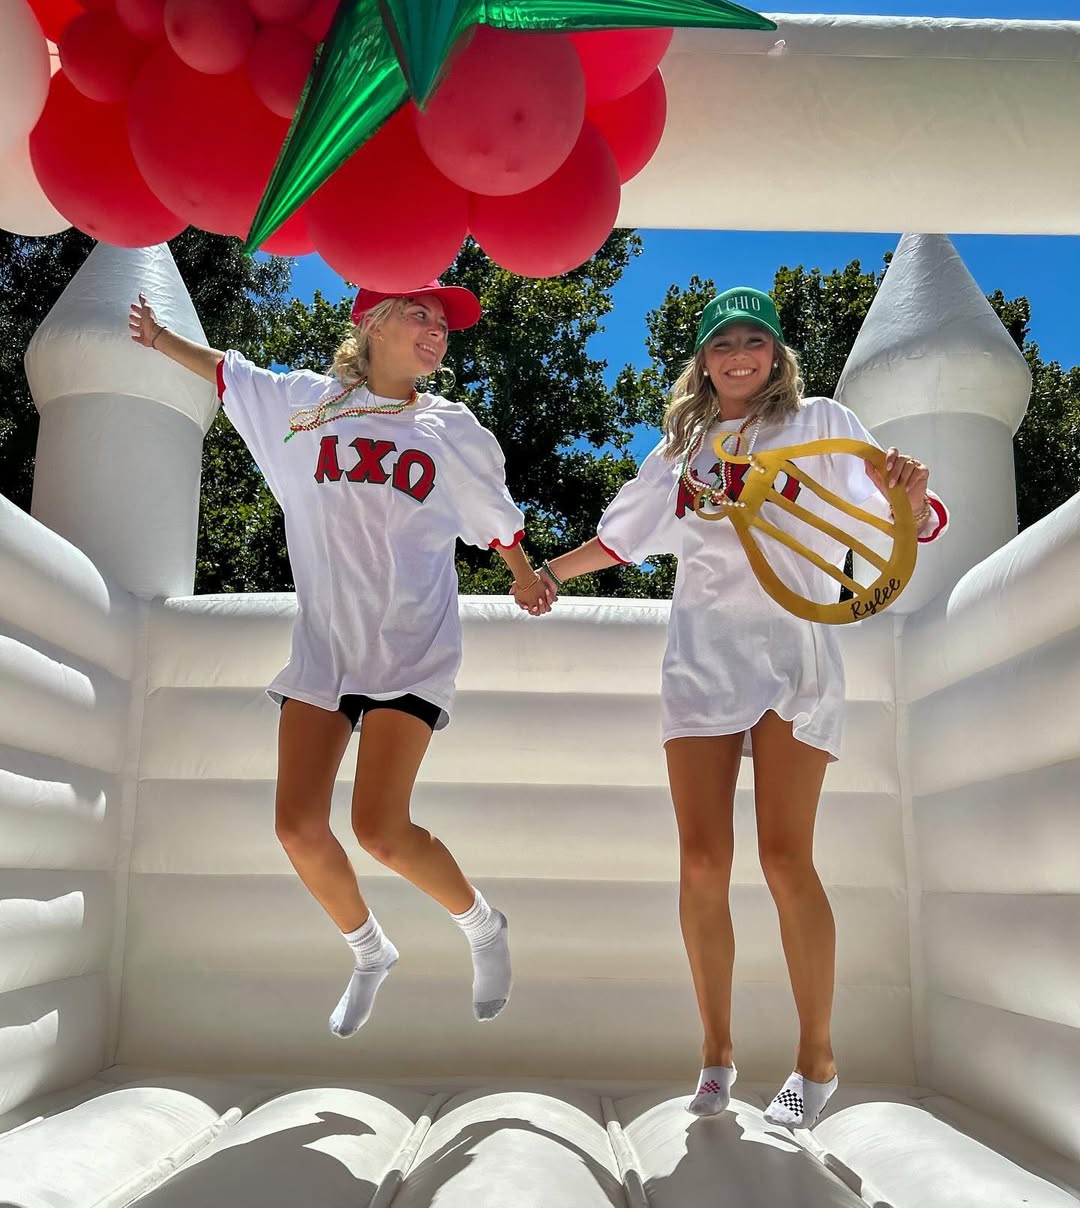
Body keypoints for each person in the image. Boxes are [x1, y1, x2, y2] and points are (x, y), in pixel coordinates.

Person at [535, 287, 948, 1129]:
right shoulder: (681, 450)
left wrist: (909, 495)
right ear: (703, 358)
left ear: (776, 354)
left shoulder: (821, 422)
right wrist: (546, 573)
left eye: (754, 340)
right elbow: (620, 539)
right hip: (701, 666)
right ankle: (717, 1054)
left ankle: (817, 1059)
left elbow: (908, 524)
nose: (738, 356)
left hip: (795, 659)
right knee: (700, 865)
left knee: (786, 860)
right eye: (722, 343)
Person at [129, 281, 553, 1036]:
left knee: (380, 829)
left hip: (410, 645)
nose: (436, 330)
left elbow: (496, 520)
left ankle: (484, 926)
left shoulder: (449, 428)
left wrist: (523, 578)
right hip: (325, 648)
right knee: (296, 828)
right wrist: (160, 339)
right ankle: (369, 952)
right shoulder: (307, 406)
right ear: (374, 323)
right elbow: (231, 372)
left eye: (443, 323)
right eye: (420, 315)